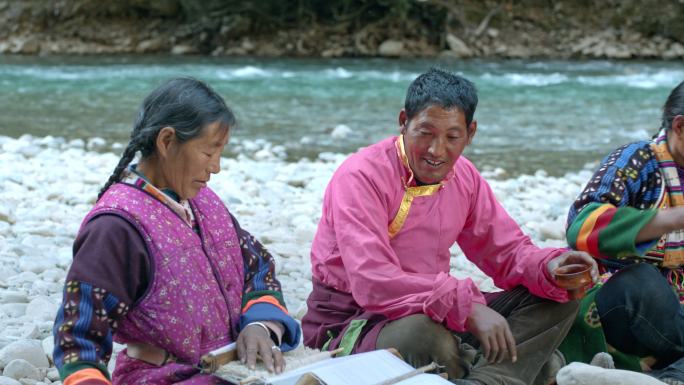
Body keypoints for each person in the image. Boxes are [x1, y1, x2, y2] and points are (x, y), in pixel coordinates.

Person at [301, 68, 598, 385]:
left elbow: (507, 251)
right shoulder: (360, 176)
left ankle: (482, 378)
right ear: (404, 122)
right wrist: (467, 307)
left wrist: (550, 265)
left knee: (557, 296)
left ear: (471, 133)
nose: (436, 151)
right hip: (356, 319)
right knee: (425, 337)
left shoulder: (465, 177)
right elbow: (373, 282)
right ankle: (508, 370)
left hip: (435, 307)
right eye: (425, 133)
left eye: (452, 137)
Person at [52, 78, 300, 385]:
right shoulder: (116, 227)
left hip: (235, 370)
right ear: (167, 141)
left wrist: (261, 325)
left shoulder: (206, 204)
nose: (217, 167)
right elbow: (78, 340)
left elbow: (258, 265)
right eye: (209, 153)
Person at [561, 80, 684, 380]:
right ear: (680, 127)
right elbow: (581, 226)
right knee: (642, 282)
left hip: (672, 323)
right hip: (618, 306)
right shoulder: (637, 161)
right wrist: (673, 219)